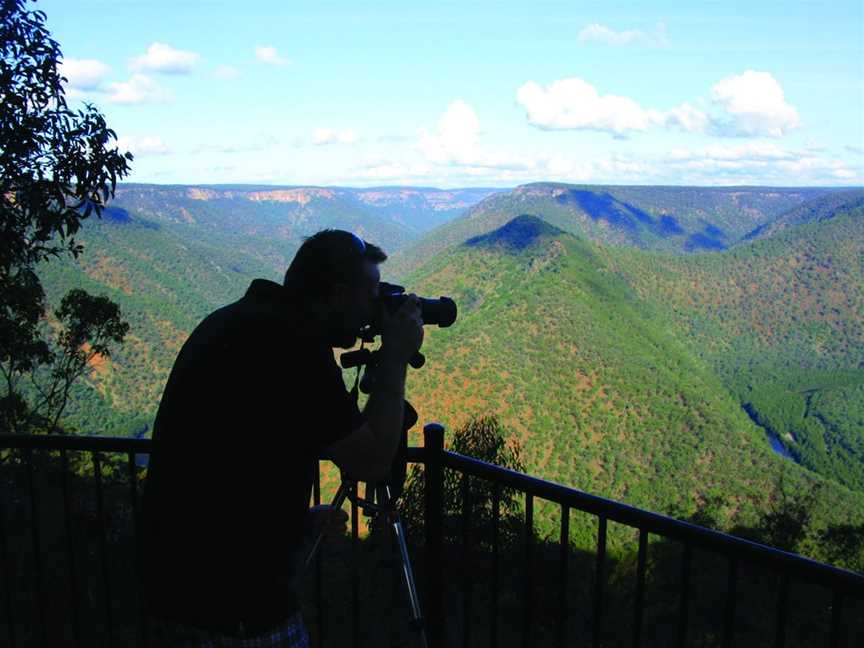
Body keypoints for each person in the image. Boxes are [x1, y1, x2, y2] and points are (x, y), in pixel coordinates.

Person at [139, 229, 424, 646]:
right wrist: (396, 358)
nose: (373, 311)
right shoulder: (293, 346)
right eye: (371, 295)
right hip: (235, 608)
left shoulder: (240, 322)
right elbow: (372, 461)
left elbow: (229, 460)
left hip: (176, 589)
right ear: (339, 293)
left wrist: (294, 522)